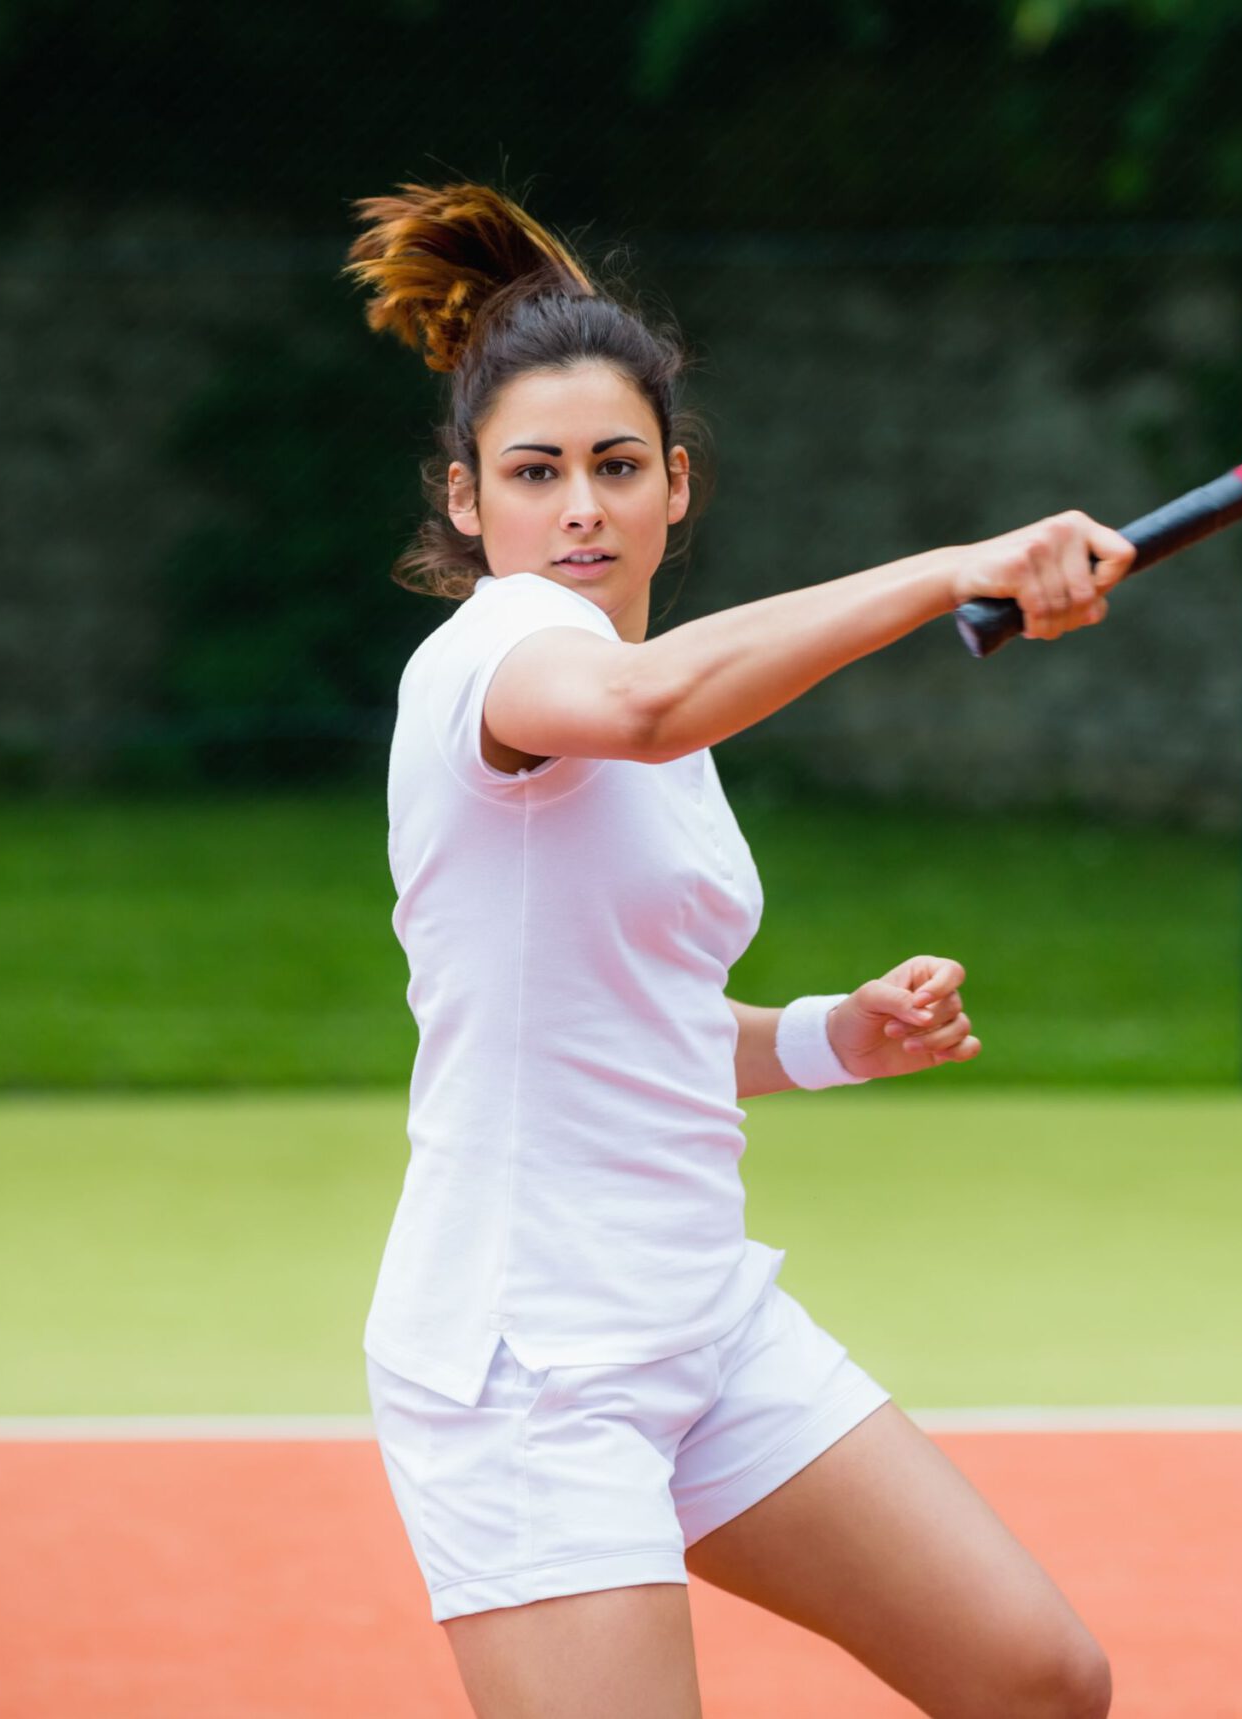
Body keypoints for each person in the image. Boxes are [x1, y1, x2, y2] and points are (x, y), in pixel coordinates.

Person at [345, 182, 1131, 1719]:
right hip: (531, 1368)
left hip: (697, 1318)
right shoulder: (499, 658)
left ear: (676, 486)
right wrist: (947, 569)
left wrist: (839, 1034)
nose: (581, 507)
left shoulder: (660, 689)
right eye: (536, 472)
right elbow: (644, 709)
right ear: (467, 503)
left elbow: (635, 1024)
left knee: (1040, 1681)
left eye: (617, 467)